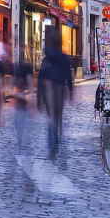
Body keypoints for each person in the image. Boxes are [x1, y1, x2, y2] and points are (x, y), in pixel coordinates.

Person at [37, 26, 73, 160]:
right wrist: (70, 91)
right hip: (59, 89)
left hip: (48, 90)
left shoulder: (46, 58)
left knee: (50, 118)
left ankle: (52, 145)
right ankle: (56, 141)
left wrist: (39, 98)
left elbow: (41, 77)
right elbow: (68, 76)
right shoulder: (64, 57)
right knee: (58, 117)